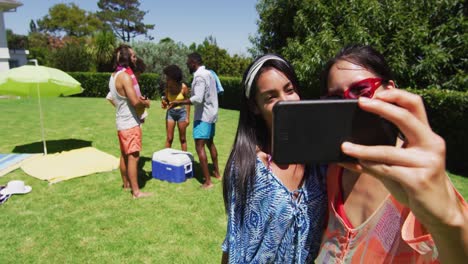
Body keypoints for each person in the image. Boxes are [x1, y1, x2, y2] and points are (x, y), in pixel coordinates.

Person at [316, 44, 468, 263]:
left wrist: (448, 223)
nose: (351, 103)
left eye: (361, 90)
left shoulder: (419, 180)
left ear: (390, 90)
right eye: (336, 98)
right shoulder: (335, 171)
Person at [221, 54, 328, 263]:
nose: (285, 102)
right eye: (271, 97)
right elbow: (234, 239)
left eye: (289, 90)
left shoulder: (320, 163)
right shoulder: (249, 167)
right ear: (255, 107)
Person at [170, 53, 220, 189]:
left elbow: (197, 99)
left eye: (188, 63)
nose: (187, 65)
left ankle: (208, 182)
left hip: (203, 116)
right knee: (210, 143)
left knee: (199, 147)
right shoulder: (209, 73)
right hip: (212, 114)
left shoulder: (199, 76)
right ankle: (216, 173)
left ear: (193, 62)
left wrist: (177, 102)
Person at [108, 44, 152, 198]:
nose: (135, 58)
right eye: (133, 56)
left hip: (121, 122)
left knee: (124, 155)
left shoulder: (113, 76)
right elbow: (135, 101)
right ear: (126, 58)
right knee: (134, 156)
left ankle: (126, 185)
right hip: (130, 124)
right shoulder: (125, 77)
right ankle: (136, 192)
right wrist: (146, 103)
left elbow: (116, 98)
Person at [161, 65, 190, 151]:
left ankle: (185, 158)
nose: (166, 80)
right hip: (170, 113)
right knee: (169, 138)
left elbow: (188, 102)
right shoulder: (167, 87)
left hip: (182, 113)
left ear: (174, 78)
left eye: (168, 78)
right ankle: (165, 158)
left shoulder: (183, 87)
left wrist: (187, 117)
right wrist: (164, 103)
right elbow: (166, 100)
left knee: (182, 139)